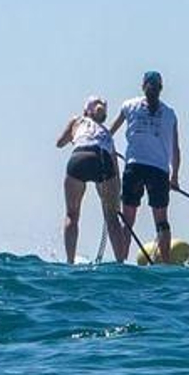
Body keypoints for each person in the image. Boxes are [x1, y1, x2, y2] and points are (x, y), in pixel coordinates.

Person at [108, 71, 181, 264]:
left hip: (135, 167)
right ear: (161, 88)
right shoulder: (170, 114)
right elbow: (175, 149)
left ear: (143, 86)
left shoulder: (129, 105)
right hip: (158, 170)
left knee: (128, 219)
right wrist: (174, 177)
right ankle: (165, 263)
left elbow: (108, 134)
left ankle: (121, 261)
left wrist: (104, 149)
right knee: (161, 220)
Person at [55, 96, 129, 264]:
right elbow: (115, 167)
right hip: (102, 159)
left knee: (72, 214)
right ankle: (120, 262)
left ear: (85, 111)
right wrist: (117, 195)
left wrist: (73, 136)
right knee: (112, 217)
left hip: (79, 158)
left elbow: (59, 143)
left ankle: (69, 261)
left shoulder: (77, 121)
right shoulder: (106, 134)